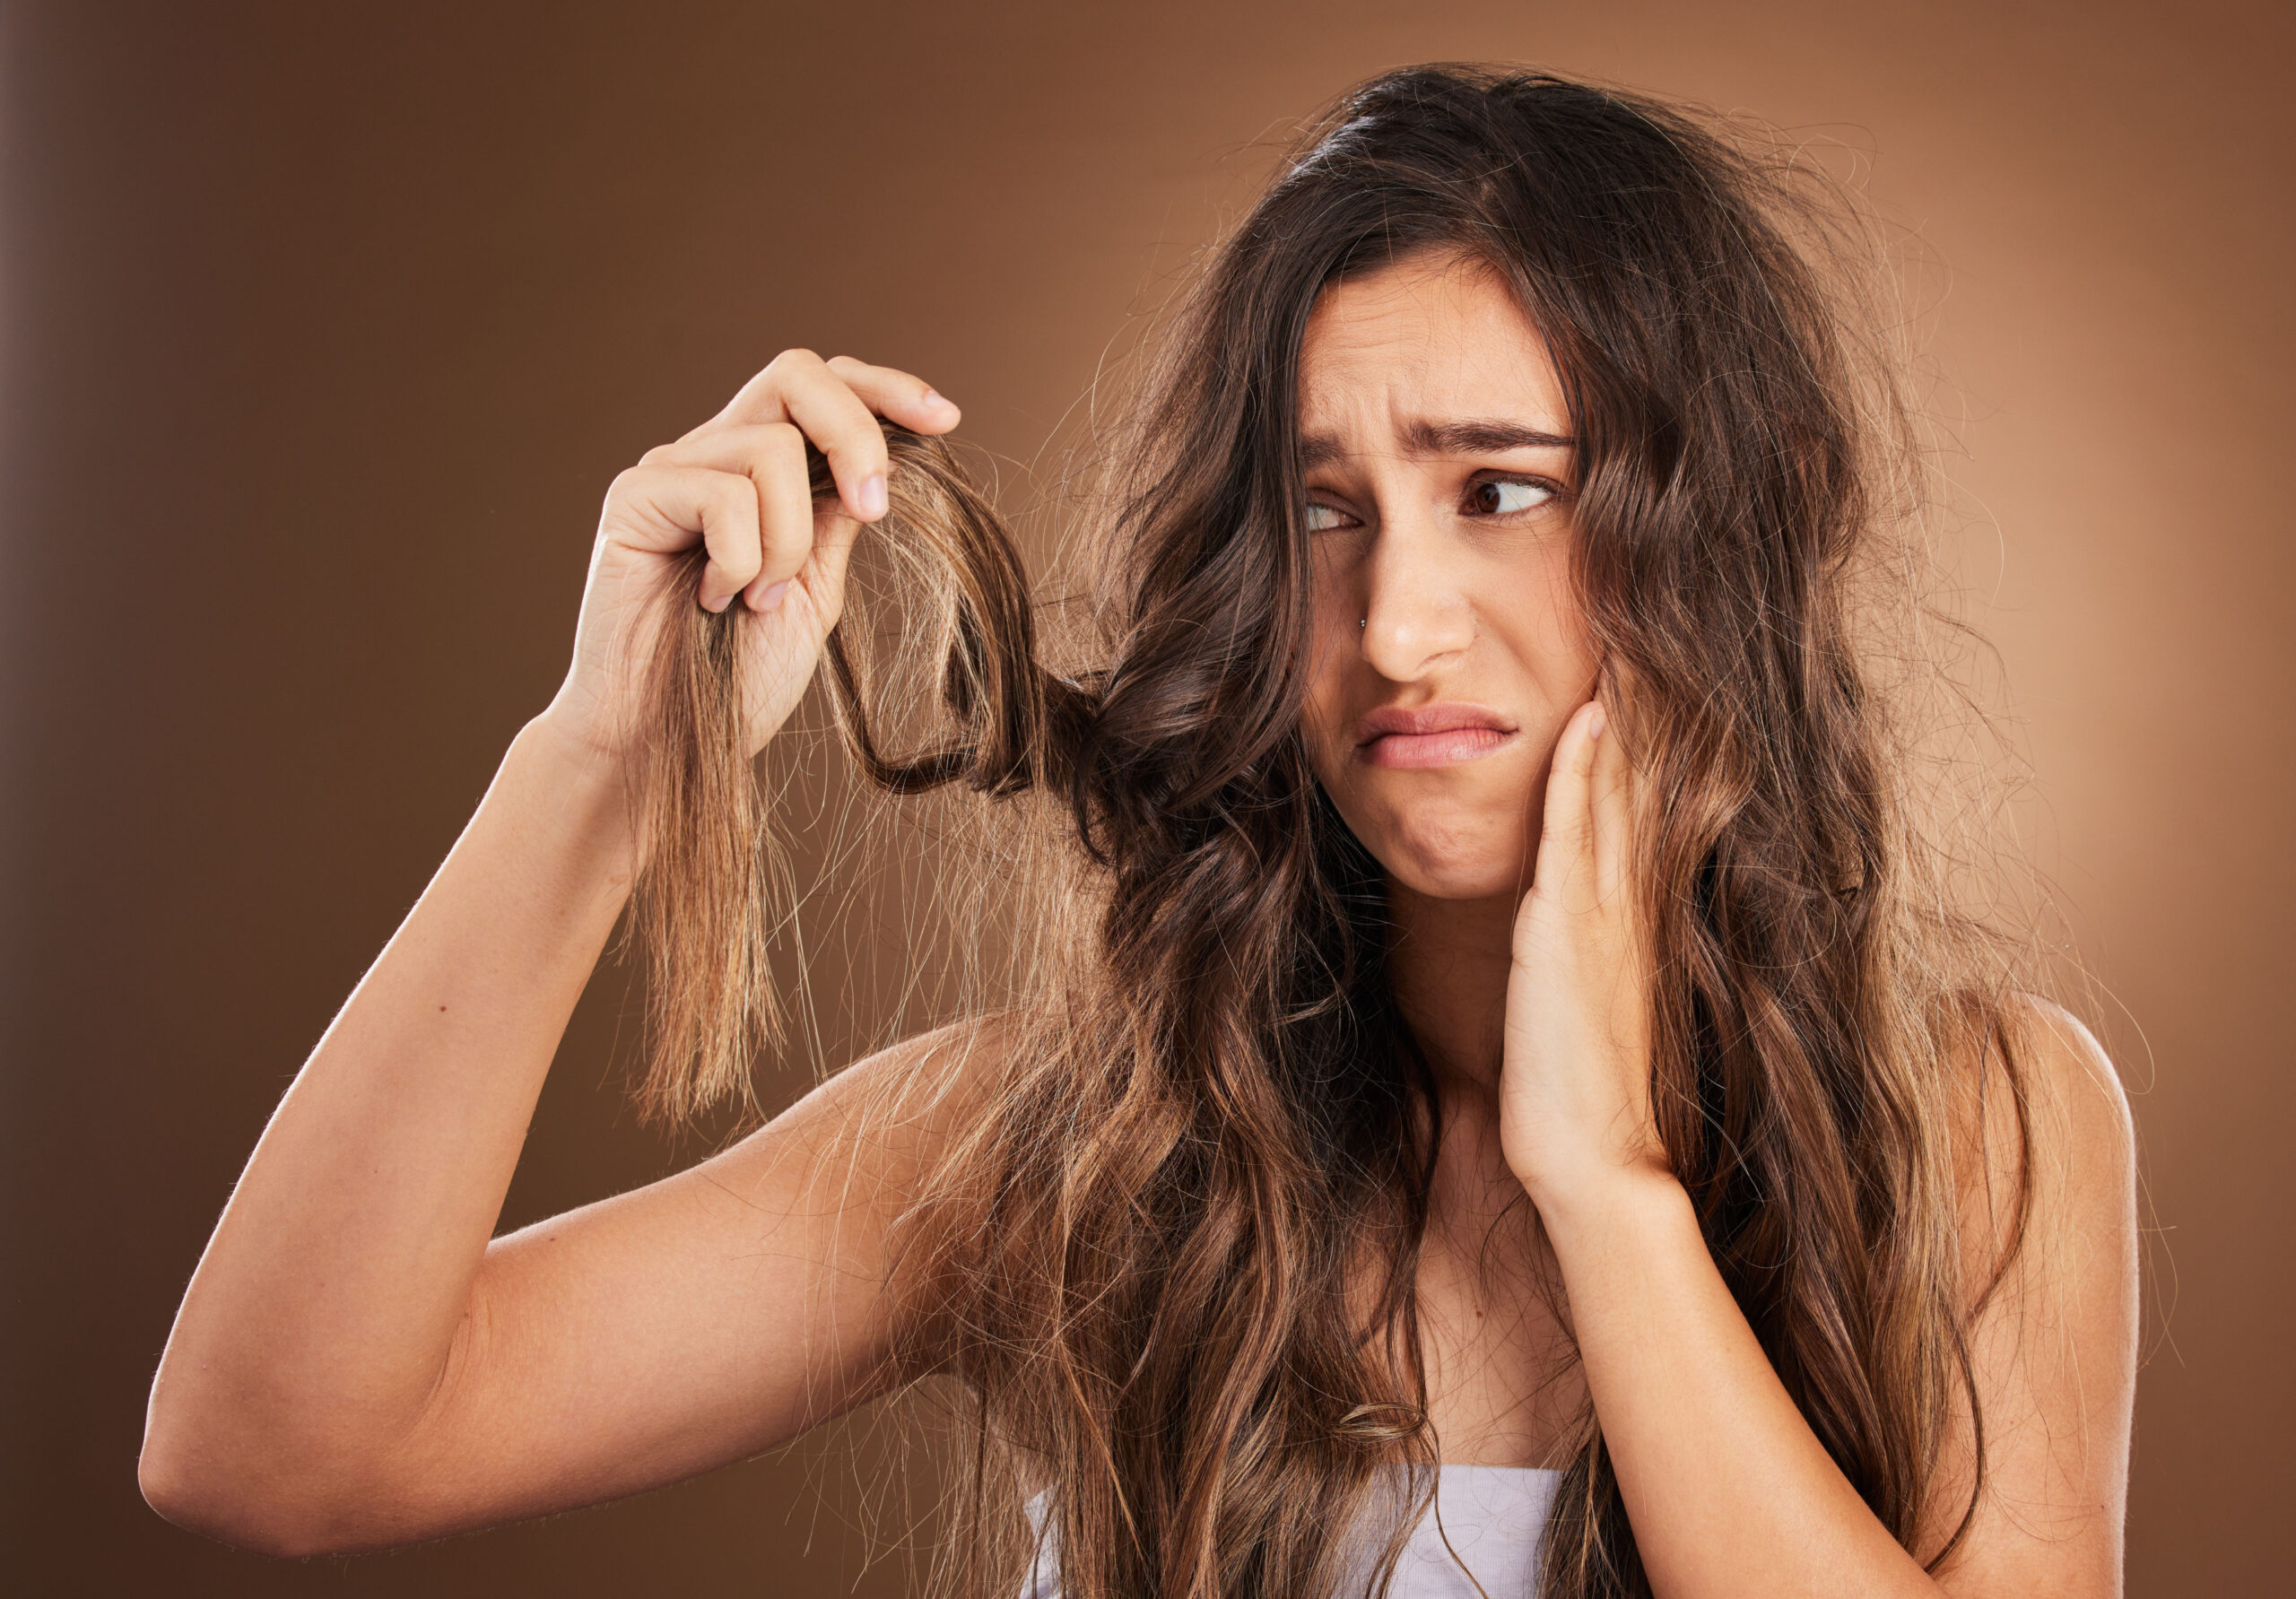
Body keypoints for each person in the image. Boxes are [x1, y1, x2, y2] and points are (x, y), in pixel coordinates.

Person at [137, 65, 2139, 1598]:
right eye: (1323, 508)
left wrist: (1602, 1187)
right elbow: (271, 1445)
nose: (1394, 625)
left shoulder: (1984, 1133)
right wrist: (603, 759)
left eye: (1500, 490)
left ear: (1717, 531)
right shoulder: (1075, 1153)